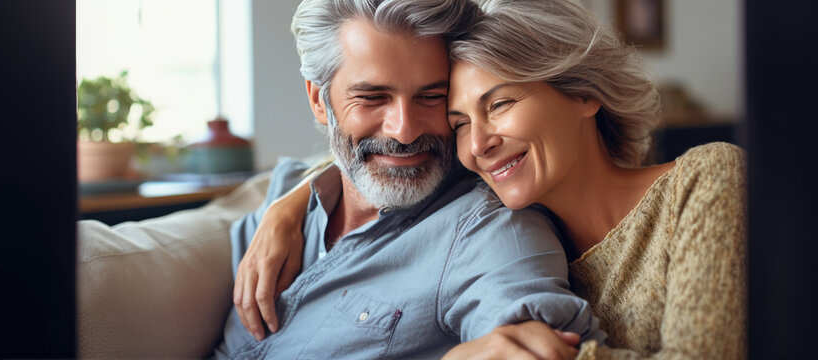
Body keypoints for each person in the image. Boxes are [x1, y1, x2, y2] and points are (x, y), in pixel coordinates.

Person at [240, 0, 748, 359]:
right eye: (458, 121)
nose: (478, 144)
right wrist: (294, 200)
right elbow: (382, 157)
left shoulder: (706, 177)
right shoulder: (502, 204)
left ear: (586, 94)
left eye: (500, 104)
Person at [214, 0, 606, 359]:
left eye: (431, 97)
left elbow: (538, 332)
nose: (404, 130)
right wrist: (286, 207)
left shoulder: (487, 230)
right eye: (372, 98)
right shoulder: (289, 188)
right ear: (319, 100)